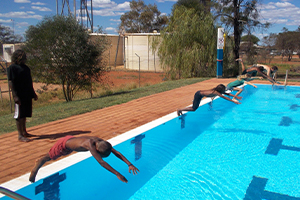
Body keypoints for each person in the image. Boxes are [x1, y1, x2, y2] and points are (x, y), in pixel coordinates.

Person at [29, 135, 139, 183]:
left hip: (71, 141)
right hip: (63, 145)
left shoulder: (100, 142)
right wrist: (117, 173)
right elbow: (101, 162)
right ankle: (38, 164)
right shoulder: (90, 145)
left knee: (54, 155)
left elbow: (116, 152)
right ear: (97, 150)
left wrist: (129, 164)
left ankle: (42, 159)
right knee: (50, 157)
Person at [7, 49, 38, 142]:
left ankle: (24, 131)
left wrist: (33, 93)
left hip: (27, 94)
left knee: (24, 114)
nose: (25, 58)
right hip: (19, 94)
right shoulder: (12, 68)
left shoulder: (26, 68)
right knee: (19, 115)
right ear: (18, 57)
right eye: (23, 56)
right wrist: (15, 96)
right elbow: (11, 82)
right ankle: (20, 135)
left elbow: (29, 81)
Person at [177, 84, 241, 116]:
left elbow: (228, 94)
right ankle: (180, 109)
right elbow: (225, 97)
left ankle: (180, 110)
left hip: (199, 94)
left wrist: (236, 96)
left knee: (194, 107)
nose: (224, 90)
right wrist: (233, 101)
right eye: (223, 89)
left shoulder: (217, 91)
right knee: (194, 109)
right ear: (221, 90)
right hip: (198, 95)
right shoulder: (216, 92)